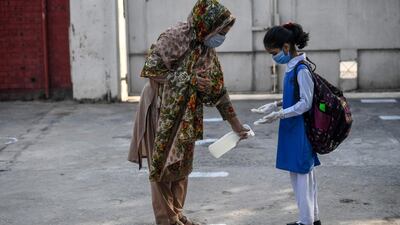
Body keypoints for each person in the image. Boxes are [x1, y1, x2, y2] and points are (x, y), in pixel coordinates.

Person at [128, 1, 249, 225]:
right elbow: (151, 70)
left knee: (181, 165)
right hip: (160, 106)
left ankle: (177, 213)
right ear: (206, 25)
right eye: (220, 31)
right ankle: (167, 219)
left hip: (187, 112)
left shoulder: (207, 49)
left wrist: (237, 127)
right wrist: (190, 80)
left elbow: (218, 92)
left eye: (224, 32)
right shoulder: (175, 36)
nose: (221, 37)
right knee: (163, 165)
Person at [252, 22, 322, 225]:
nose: (273, 57)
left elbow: (305, 103)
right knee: (302, 176)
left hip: (300, 130)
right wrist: (274, 105)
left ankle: (306, 221)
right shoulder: (294, 67)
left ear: (285, 47)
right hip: (294, 129)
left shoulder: (301, 69)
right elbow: (296, 95)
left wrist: (280, 114)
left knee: (302, 178)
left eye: (272, 52)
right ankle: (311, 218)